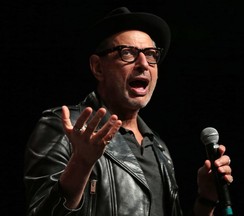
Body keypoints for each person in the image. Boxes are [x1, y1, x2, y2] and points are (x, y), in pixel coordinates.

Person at [24, 6, 233, 216]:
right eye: (127, 53)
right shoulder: (63, 126)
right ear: (98, 67)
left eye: (151, 54)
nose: (143, 63)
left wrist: (206, 199)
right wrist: (81, 163)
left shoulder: (159, 149)